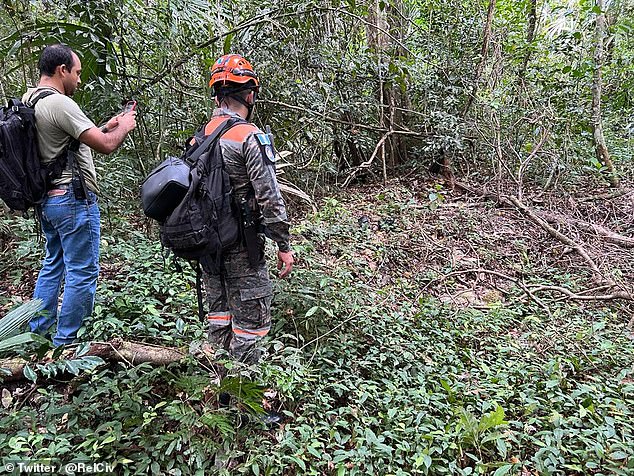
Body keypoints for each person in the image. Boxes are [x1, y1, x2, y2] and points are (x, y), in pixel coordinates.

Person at [25, 44, 137, 347]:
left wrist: (105, 126)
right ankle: (67, 343)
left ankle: (38, 334)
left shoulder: (30, 99)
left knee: (53, 264)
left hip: (47, 199)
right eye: (76, 73)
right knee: (82, 272)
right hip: (72, 201)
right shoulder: (60, 104)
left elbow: (62, 143)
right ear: (62, 70)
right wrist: (123, 127)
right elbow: (106, 145)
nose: (78, 79)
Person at [202, 54, 294, 364]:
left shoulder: (201, 136)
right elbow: (269, 196)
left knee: (219, 319)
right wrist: (283, 244)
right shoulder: (248, 137)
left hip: (209, 247)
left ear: (217, 95)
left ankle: (217, 390)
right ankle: (242, 404)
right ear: (250, 94)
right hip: (243, 245)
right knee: (250, 327)